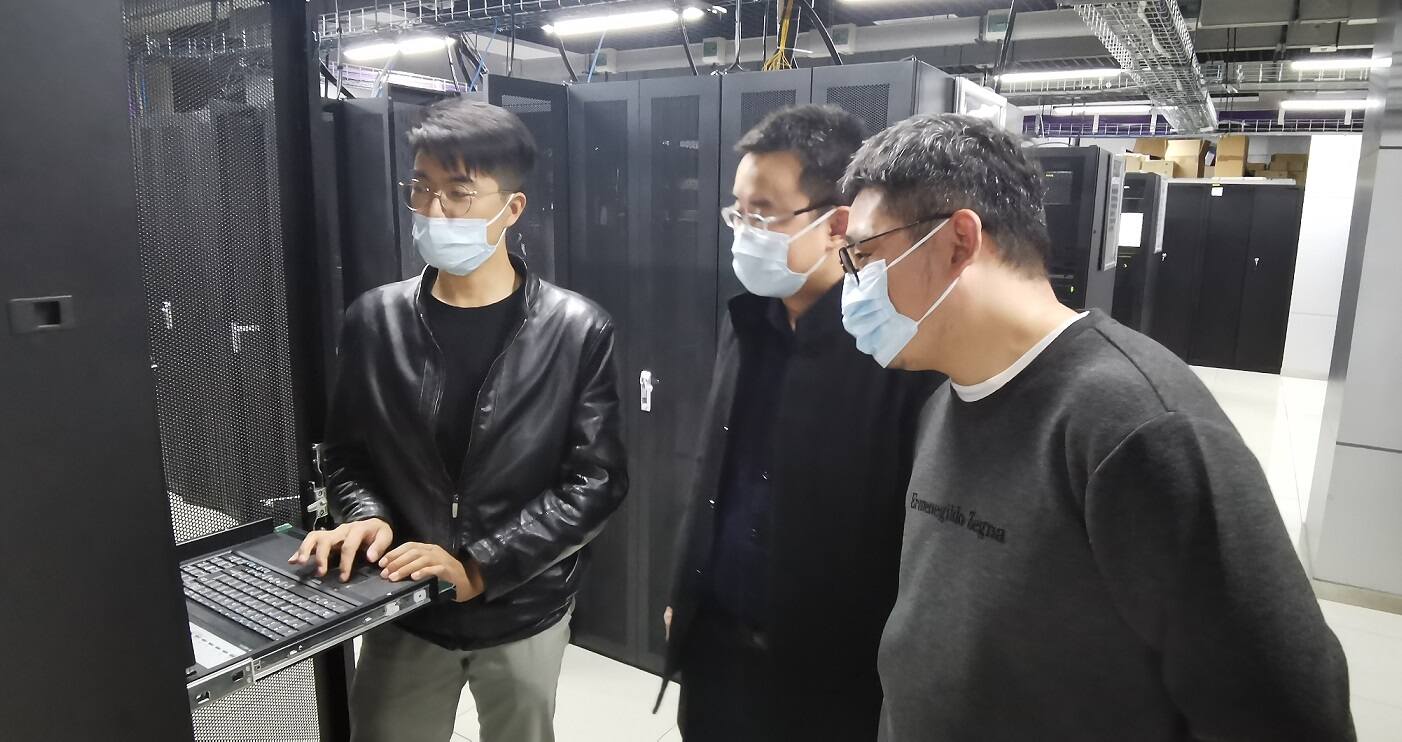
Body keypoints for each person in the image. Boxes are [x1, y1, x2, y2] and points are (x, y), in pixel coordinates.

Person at [836, 113, 1354, 741]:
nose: (852, 283)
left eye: (864, 255)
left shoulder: (1137, 428)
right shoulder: (945, 402)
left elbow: (1289, 711)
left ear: (959, 242)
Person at [290, 99, 627, 742]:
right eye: (421, 187)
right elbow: (347, 454)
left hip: (521, 605)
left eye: (459, 192)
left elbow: (596, 481)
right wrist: (366, 517)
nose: (434, 209)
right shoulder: (375, 321)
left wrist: (479, 567)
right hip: (405, 603)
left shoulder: (576, 329)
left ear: (512, 208)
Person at [657, 104, 941, 741]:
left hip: (829, 677)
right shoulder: (746, 323)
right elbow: (714, 471)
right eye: (737, 212)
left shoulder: (890, 347)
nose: (743, 232)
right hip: (717, 652)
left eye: (763, 213)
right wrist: (685, 591)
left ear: (837, 224)